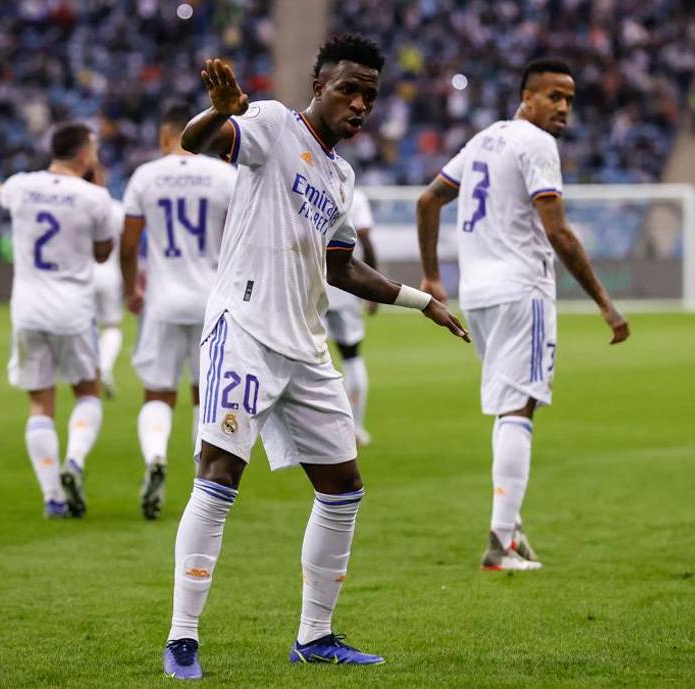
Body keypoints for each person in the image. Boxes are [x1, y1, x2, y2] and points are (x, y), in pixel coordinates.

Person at [163, 35, 469, 680]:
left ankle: (315, 635)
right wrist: (221, 110)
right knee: (218, 476)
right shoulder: (272, 124)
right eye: (349, 89)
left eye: (371, 96)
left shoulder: (340, 175)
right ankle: (183, 638)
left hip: (304, 345)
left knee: (343, 489)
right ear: (320, 86)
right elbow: (197, 142)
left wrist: (418, 300)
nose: (360, 104)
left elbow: (340, 269)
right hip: (243, 326)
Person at [416, 58, 630, 572]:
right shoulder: (537, 144)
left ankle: (510, 528)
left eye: (570, 100)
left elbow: (428, 201)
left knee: (508, 406)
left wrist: (432, 277)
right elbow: (557, 231)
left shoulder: (486, 138)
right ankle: (499, 542)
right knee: (521, 407)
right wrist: (604, 301)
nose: (563, 108)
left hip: (480, 293)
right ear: (527, 97)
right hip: (522, 290)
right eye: (555, 96)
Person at [0, 123, 116, 519]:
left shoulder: (21, 185)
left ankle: (53, 498)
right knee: (87, 391)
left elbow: (2, 194)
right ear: (84, 155)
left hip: (28, 310)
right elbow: (103, 253)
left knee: (39, 404)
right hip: (73, 311)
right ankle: (76, 460)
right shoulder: (94, 197)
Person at [120, 105, 237, 521]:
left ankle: (155, 457)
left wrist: (131, 288)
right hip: (213, 300)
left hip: (163, 300)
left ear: (162, 137)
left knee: (157, 392)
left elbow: (130, 243)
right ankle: (197, 484)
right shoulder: (226, 175)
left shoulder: (145, 177)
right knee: (204, 398)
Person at [324, 188, 379, 446]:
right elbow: (366, 241)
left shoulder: (302, 182)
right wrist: (372, 290)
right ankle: (354, 428)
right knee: (351, 356)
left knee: (302, 357)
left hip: (310, 285)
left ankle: (302, 431)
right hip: (344, 285)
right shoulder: (355, 195)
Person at [88, 166, 127, 399]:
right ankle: (104, 366)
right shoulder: (117, 210)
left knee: (87, 325)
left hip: (82, 275)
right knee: (112, 326)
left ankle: (89, 371)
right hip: (110, 273)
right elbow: (127, 248)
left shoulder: (75, 206)